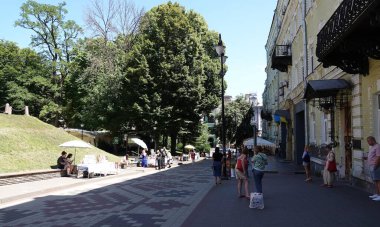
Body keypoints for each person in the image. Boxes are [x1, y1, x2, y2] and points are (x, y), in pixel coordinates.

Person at [365, 136, 380, 201]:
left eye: (368, 141)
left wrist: (375, 166)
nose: (368, 143)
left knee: (378, 181)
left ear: (372, 140)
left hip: (375, 166)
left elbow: (378, 157)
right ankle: (377, 194)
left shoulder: (377, 146)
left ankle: (379, 195)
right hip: (372, 165)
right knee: (375, 181)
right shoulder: (373, 147)